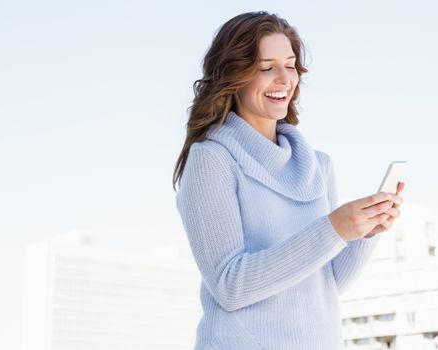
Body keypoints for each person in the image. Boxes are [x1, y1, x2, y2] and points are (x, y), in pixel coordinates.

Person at [173, 11, 405, 350]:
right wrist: (334, 229)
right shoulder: (212, 160)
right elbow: (230, 286)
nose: (284, 79)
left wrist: (364, 233)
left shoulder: (318, 165)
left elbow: (324, 285)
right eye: (266, 68)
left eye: (291, 65)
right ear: (234, 77)